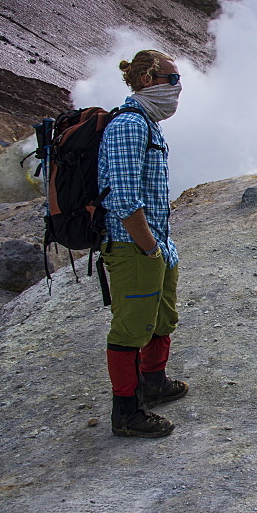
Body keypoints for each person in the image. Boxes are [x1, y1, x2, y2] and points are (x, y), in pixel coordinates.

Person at [98, 49, 187, 438]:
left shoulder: (148, 124)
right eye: (172, 78)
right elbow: (122, 200)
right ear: (148, 79)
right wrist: (149, 247)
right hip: (133, 246)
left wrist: (160, 248)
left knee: (161, 317)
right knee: (131, 329)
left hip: (154, 245)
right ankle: (127, 413)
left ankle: (154, 383)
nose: (177, 87)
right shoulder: (129, 125)